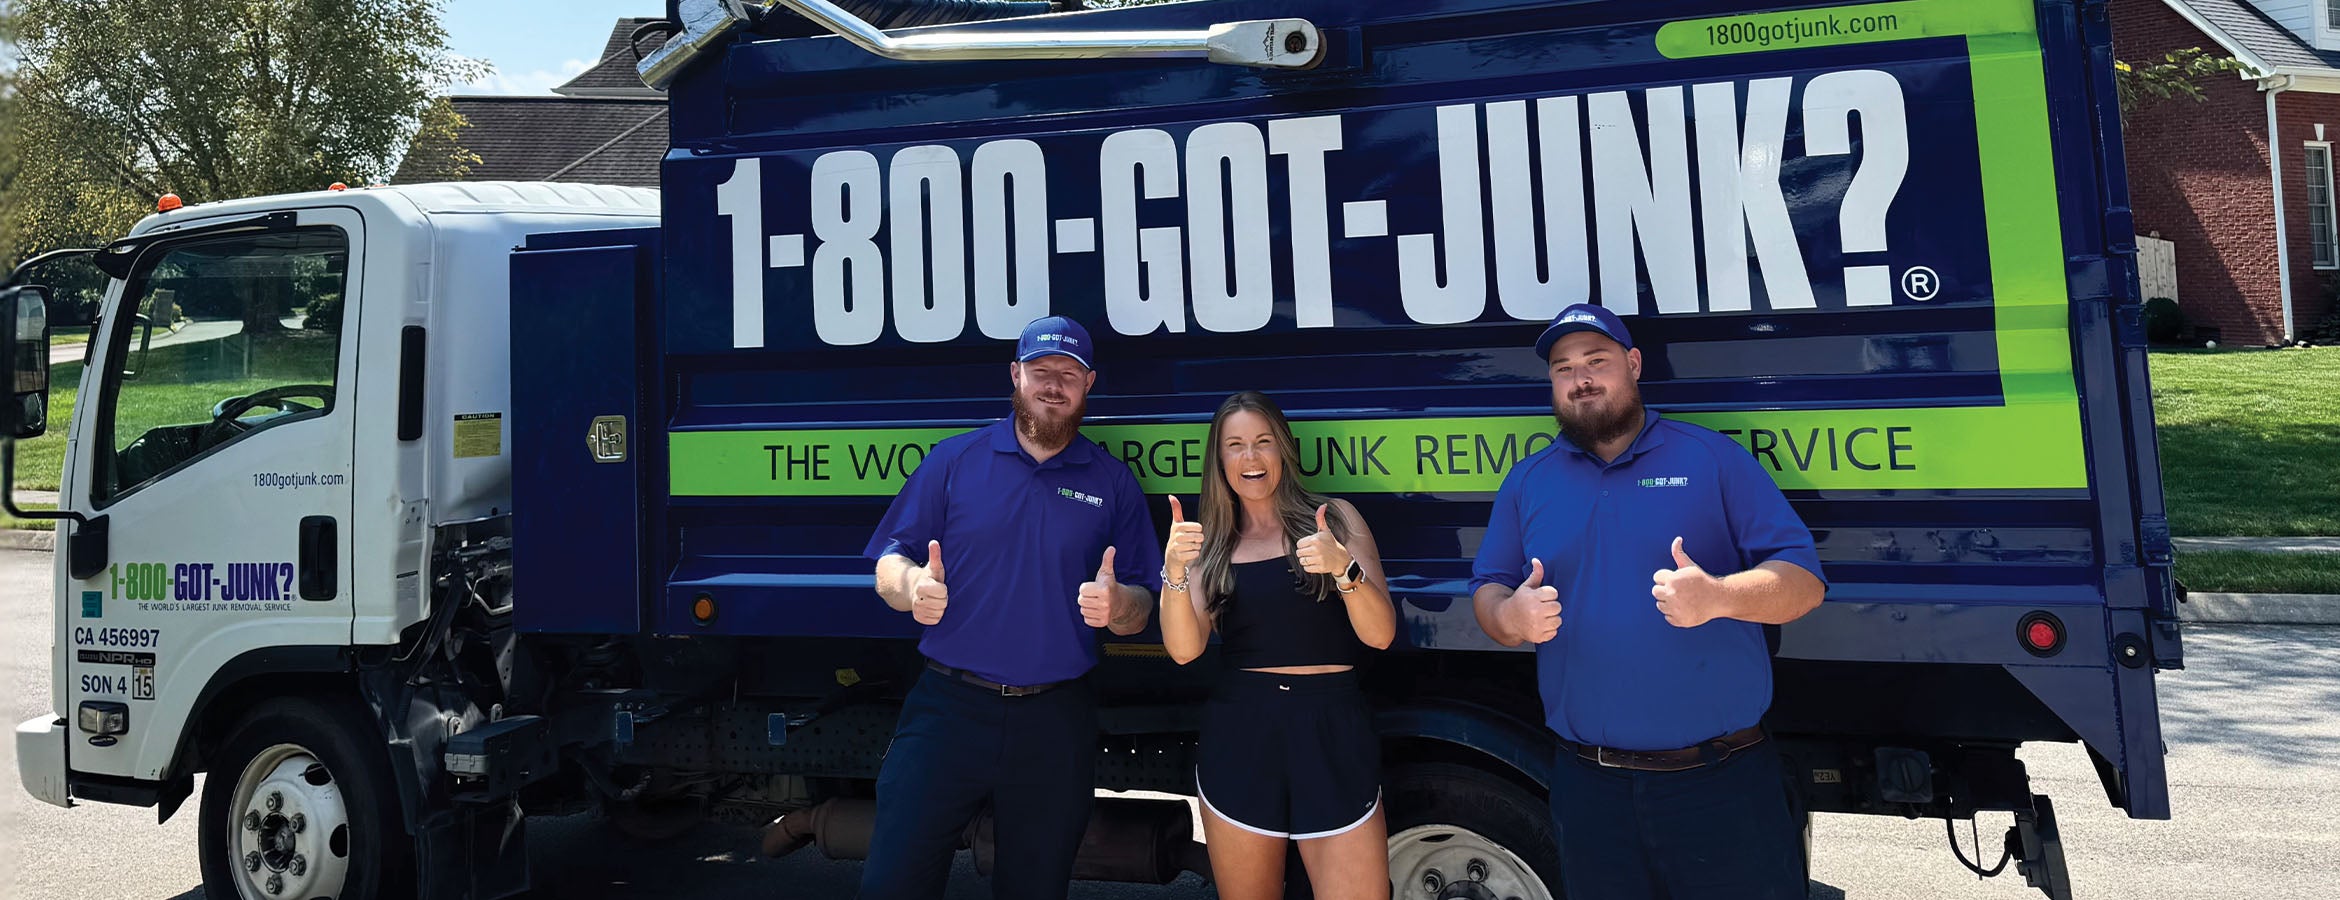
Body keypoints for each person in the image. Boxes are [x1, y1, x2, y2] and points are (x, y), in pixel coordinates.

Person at [1469, 302, 1826, 900]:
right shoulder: (1529, 481)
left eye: (1597, 360)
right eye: (1563, 367)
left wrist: (1718, 596)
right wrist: (1508, 616)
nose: (1581, 377)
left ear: (1633, 365)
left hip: (1721, 785)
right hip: (1590, 792)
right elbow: (1488, 588)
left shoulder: (1710, 458)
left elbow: (1804, 583)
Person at [860, 315, 1162, 900]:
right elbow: (888, 563)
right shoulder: (955, 461)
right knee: (892, 883)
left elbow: (1141, 607)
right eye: (1042, 371)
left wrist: (1119, 604)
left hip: (1055, 720)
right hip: (948, 710)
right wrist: (911, 586)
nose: (1054, 386)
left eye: (1068, 375)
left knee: (1036, 887)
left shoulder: (1113, 482)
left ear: (1089, 383)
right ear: (1016, 374)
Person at [1157, 390, 1396, 900]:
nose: (1250, 458)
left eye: (1263, 442)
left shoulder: (1335, 521)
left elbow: (1380, 635)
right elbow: (1183, 649)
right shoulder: (1211, 545)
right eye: (1235, 445)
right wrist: (1174, 571)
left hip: (1331, 727)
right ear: (1219, 459)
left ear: (1283, 448)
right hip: (1244, 732)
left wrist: (1342, 569)